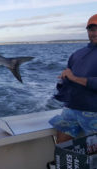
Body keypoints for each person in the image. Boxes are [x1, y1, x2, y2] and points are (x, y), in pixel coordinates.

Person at [49, 14, 97, 143]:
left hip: (94, 114)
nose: (95, 33)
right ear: (87, 31)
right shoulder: (77, 54)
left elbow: (76, 78)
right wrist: (63, 81)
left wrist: (74, 78)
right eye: (92, 29)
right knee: (62, 150)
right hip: (71, 110)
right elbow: (68, 79)